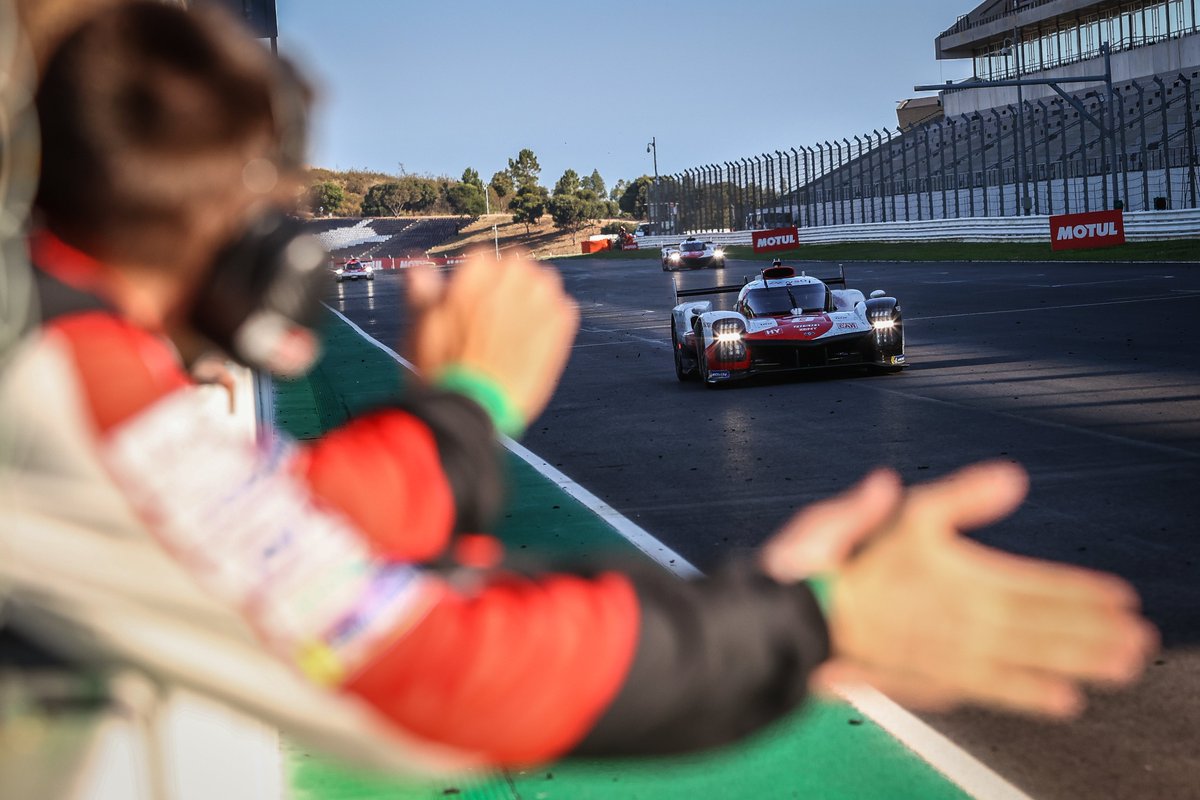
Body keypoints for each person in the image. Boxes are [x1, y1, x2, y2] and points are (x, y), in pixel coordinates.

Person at [0, 0, 1155, 771]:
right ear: (270, 246)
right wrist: (809, 619)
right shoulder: (60, 382)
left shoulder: (68, 364)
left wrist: (453, 418)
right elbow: (430, 660)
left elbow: (256, 535)